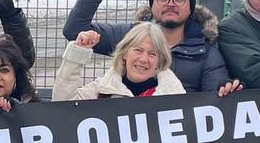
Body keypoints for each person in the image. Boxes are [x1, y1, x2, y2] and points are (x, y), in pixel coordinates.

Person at [63, 0, 237, 93]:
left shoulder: (205, 52)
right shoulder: (129, 36)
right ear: (152, 5)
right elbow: (74, 31)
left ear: (191, 8)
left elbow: (215, 100)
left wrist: (226, 91)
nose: (171, 4)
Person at [54, 22, 241, 100]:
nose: (143, 59)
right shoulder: (102, 89)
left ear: (160, 61)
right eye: (138, 50)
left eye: (152, 54)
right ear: (124, 54)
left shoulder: (175, 96)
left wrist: (227, 99)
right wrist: (76, 55)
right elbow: (63, 107)